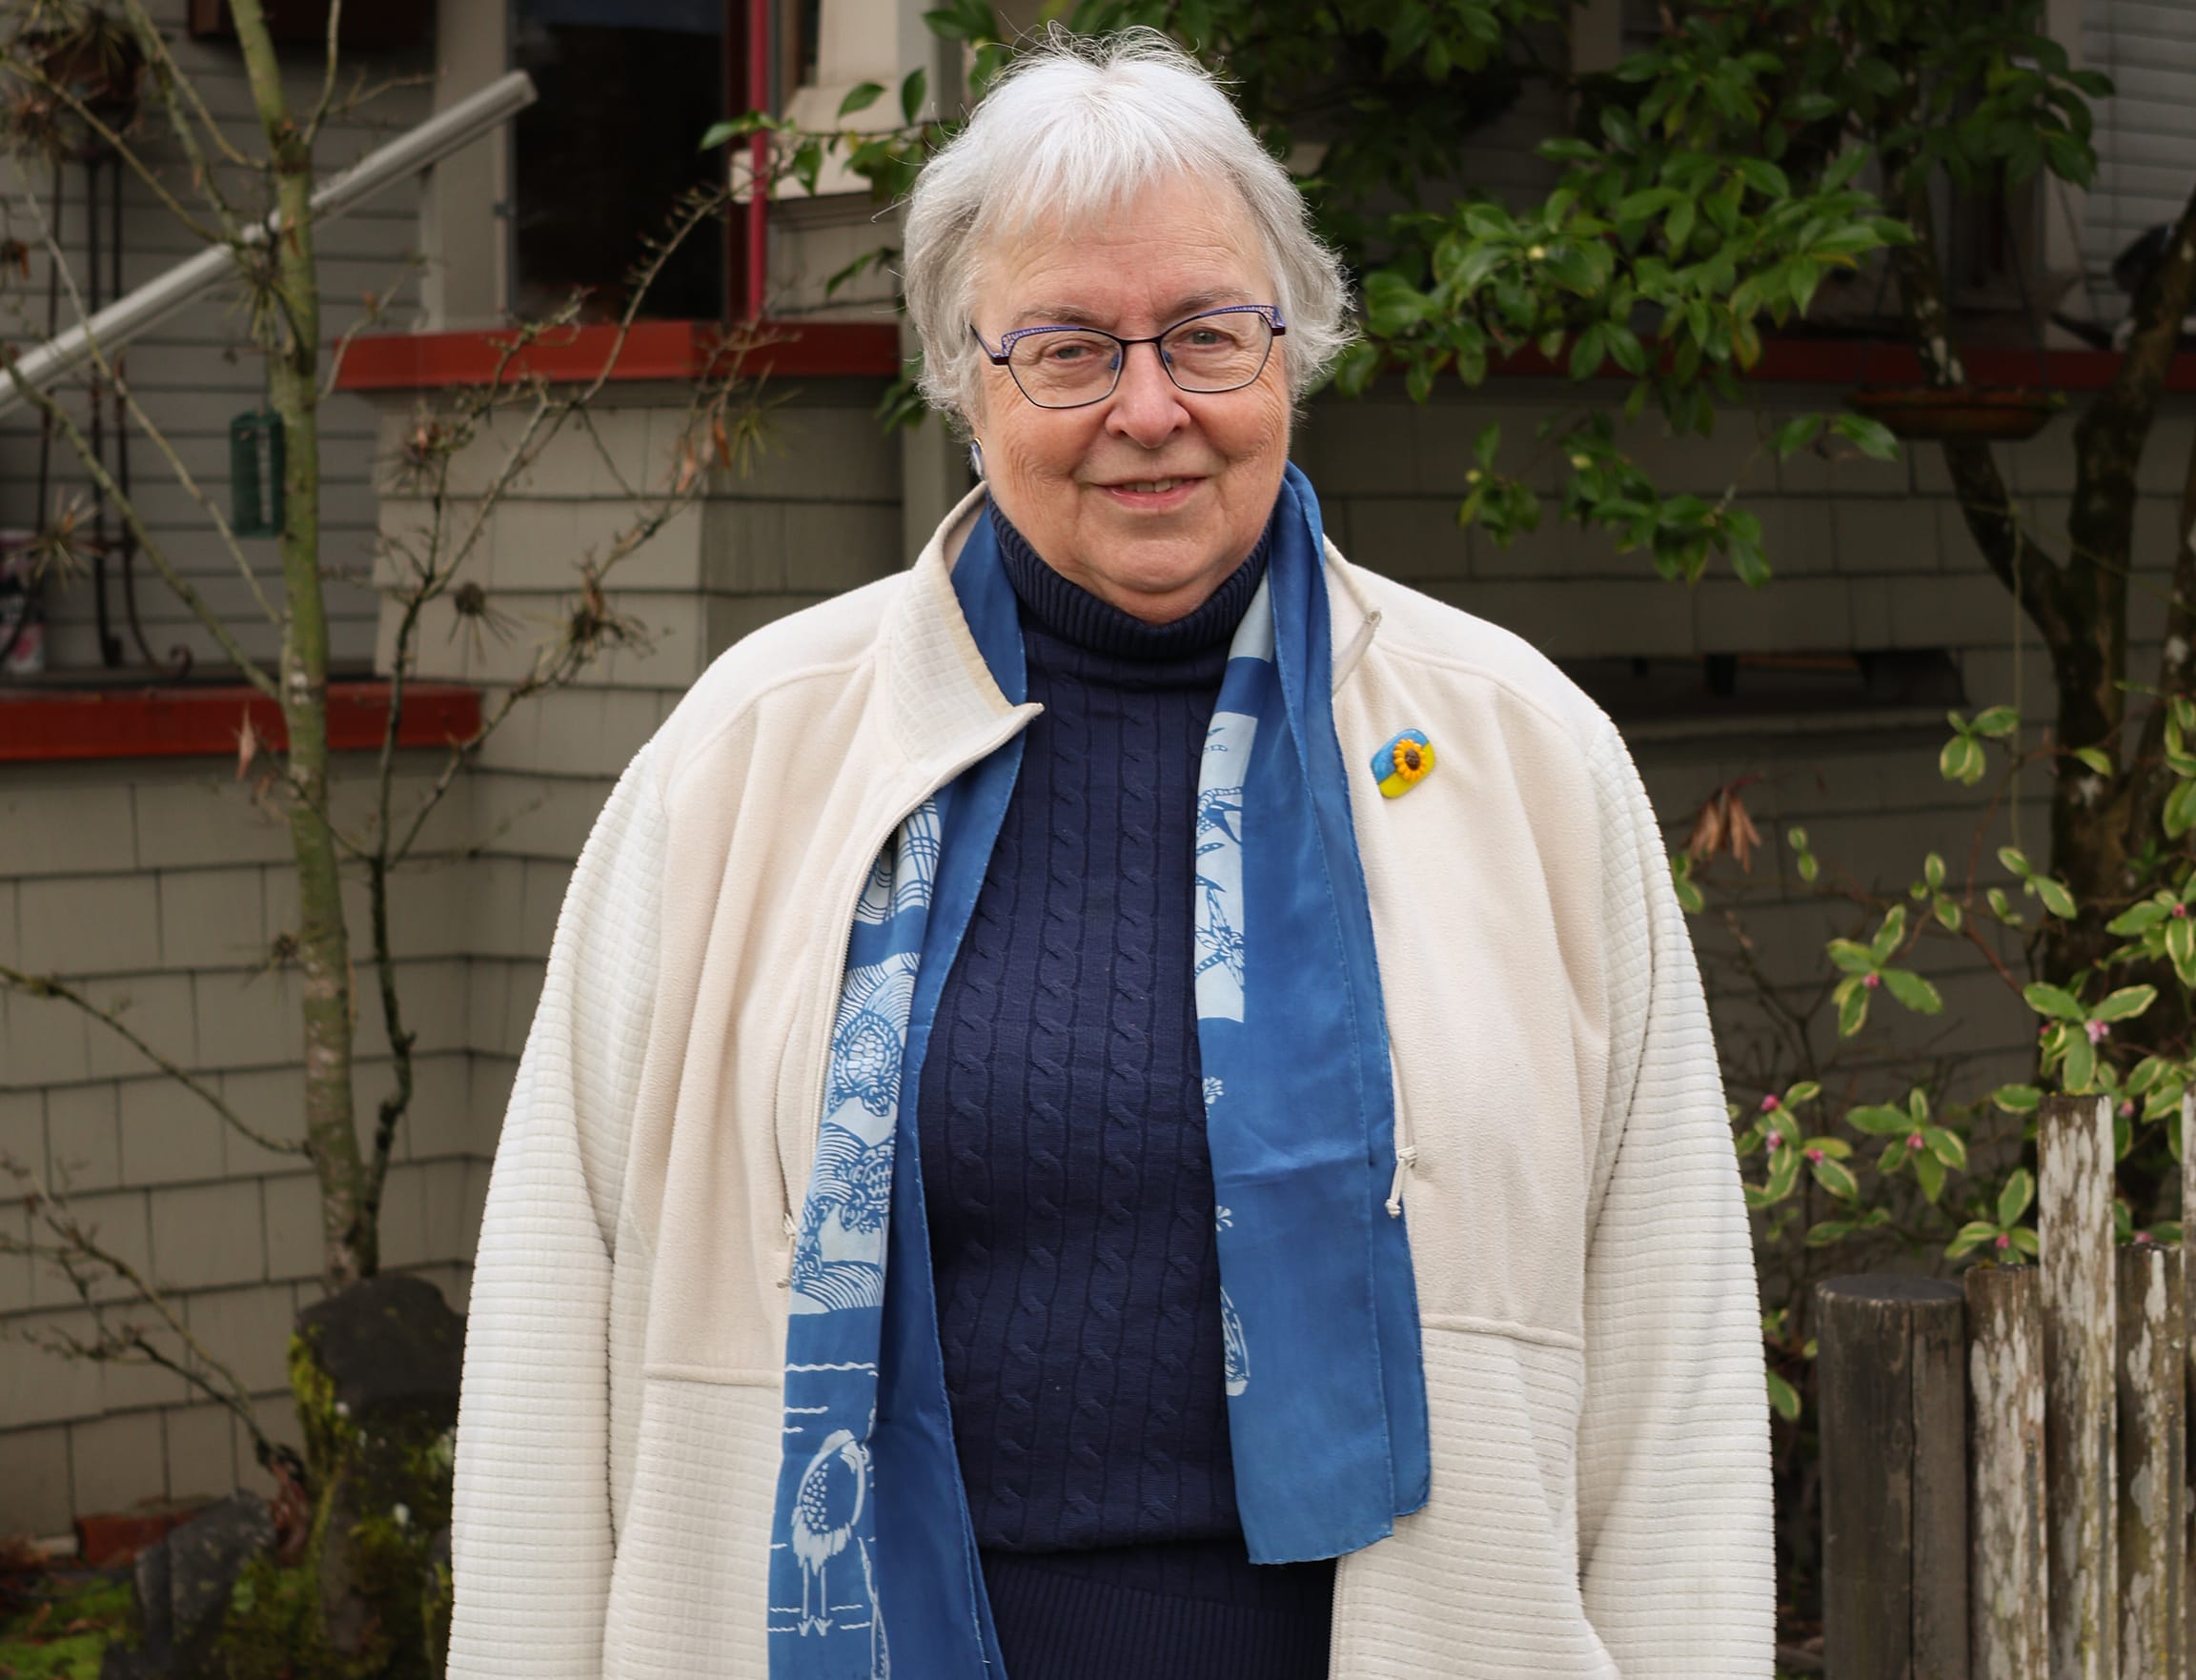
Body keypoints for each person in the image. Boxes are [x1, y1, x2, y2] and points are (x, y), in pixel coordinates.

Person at [447, 28, 1770, 1680]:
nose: (1151, 410)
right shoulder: (744, 760)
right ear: (965, 377)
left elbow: (1677, 1357)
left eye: (1208, 335)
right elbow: (546, 1349)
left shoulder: (1524, 760)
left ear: (1295, 348)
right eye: (1067, 349)